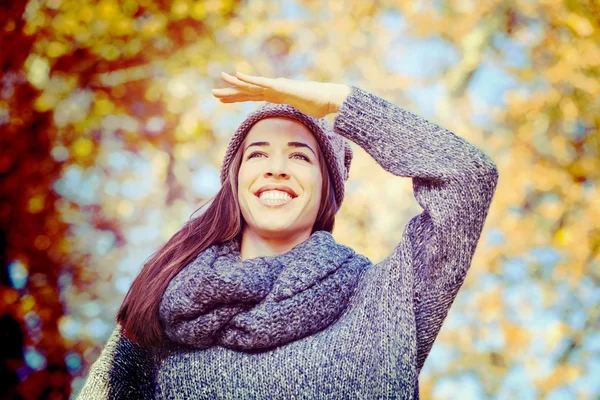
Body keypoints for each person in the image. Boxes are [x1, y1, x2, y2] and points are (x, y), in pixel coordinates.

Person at [76, 71, 499, 399]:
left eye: (300, 155)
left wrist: (339, 103)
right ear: (236, 182)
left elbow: (467, 176)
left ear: (326, 189)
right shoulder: (162, 305)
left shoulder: (385, 298)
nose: (276, 168)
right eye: (258, 154)